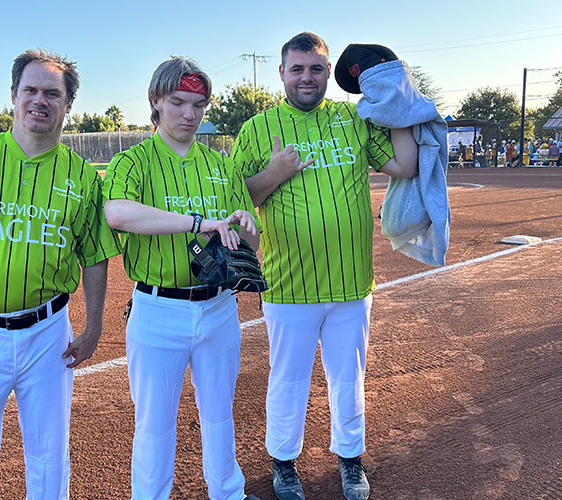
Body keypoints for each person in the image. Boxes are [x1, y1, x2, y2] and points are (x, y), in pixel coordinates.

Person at [231, 32, 418, 500]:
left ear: (328, 71)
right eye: (297, 69)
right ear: (281, 73)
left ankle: (350, 460)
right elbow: (235, 201)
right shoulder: (257, 128)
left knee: (349, 379)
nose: (306, 77)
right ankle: (284, 463)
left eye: (316, 68)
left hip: (350, 282)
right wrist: (274, 173)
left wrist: (396, 103)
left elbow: (406, 165)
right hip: (288, 285)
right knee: (288, 380)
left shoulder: (353, 119)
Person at [0, 48, 120, 499]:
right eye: (30, 89)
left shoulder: (83, 177)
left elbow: (94, 256)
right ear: (13, 95)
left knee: (49, 455)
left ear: (67, 105)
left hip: (48, 333)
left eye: (52, 93)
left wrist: (93, 327)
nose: (40, 100)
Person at [102, 56, 261, 500]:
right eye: (178, 102)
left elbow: (249, 237)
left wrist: (246, 225)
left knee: (219, 414)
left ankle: (228, 492)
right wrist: (195, 222)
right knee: (154, 422)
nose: (189, 114)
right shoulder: (132, 162)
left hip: (218, 306)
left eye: (198, 105)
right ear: (155, 101)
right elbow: (117, 213)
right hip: (158, 308)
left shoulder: (221, 164)